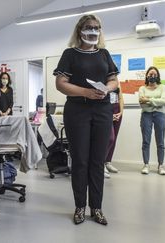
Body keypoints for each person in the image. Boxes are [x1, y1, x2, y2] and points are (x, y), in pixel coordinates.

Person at [54, 14, 119, 225]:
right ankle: (80, 206)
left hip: (102, 110)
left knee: (97, 162)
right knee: (80, 161)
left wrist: (106, 89)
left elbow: (114, 79)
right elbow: (61, 83)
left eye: (97, 27)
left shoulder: (104, 53)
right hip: (77, 111)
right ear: (80, 30)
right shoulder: (70, 54)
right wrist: (85, 92)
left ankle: (97, 208)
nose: (93, 31)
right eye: (89, 27)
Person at [138, 66, 165, 176]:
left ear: (158, 76)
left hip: (160, 115)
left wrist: (148, 100)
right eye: (150, 74)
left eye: (155, 74)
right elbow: (141, 102)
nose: (152, 76)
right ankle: (146, 165)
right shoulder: (142, 88)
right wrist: (156, 102)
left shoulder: (163, 87)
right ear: (147, 76)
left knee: (160, 141)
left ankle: (161, 165)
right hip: (146, 115)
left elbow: (164, 101)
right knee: (146, 141)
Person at [104, 87, 124, 178]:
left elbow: (120, 98)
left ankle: (108, 162)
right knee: (109, 138)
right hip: (107, 110)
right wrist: (109, 114)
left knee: (114, 138)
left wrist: (121, 112)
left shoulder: (117, 84)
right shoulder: (103, 82)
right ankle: (101, 164)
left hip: (117, 110)